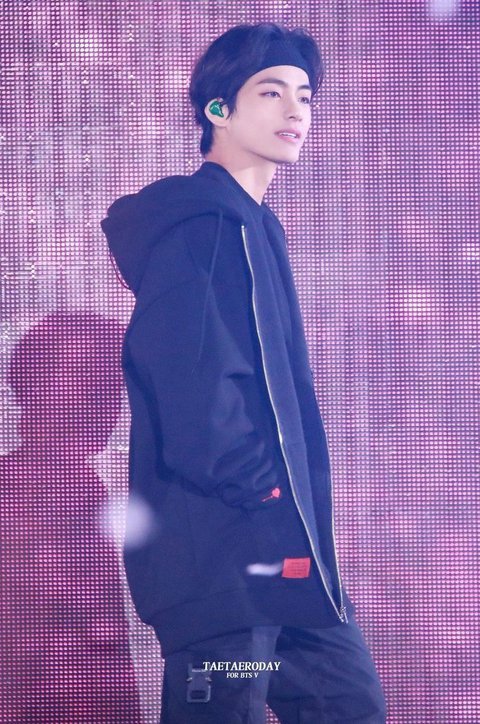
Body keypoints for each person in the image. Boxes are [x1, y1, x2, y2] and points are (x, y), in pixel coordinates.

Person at [101, 22, 387, 723]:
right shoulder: (200, 229)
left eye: (305, 95)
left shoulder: (256, 226)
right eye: (271, 92)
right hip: (226, 565)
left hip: (284, 565)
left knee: (349, 706)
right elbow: (191, 391)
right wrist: (262, 490)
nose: (296, 111)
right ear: (218, 109)